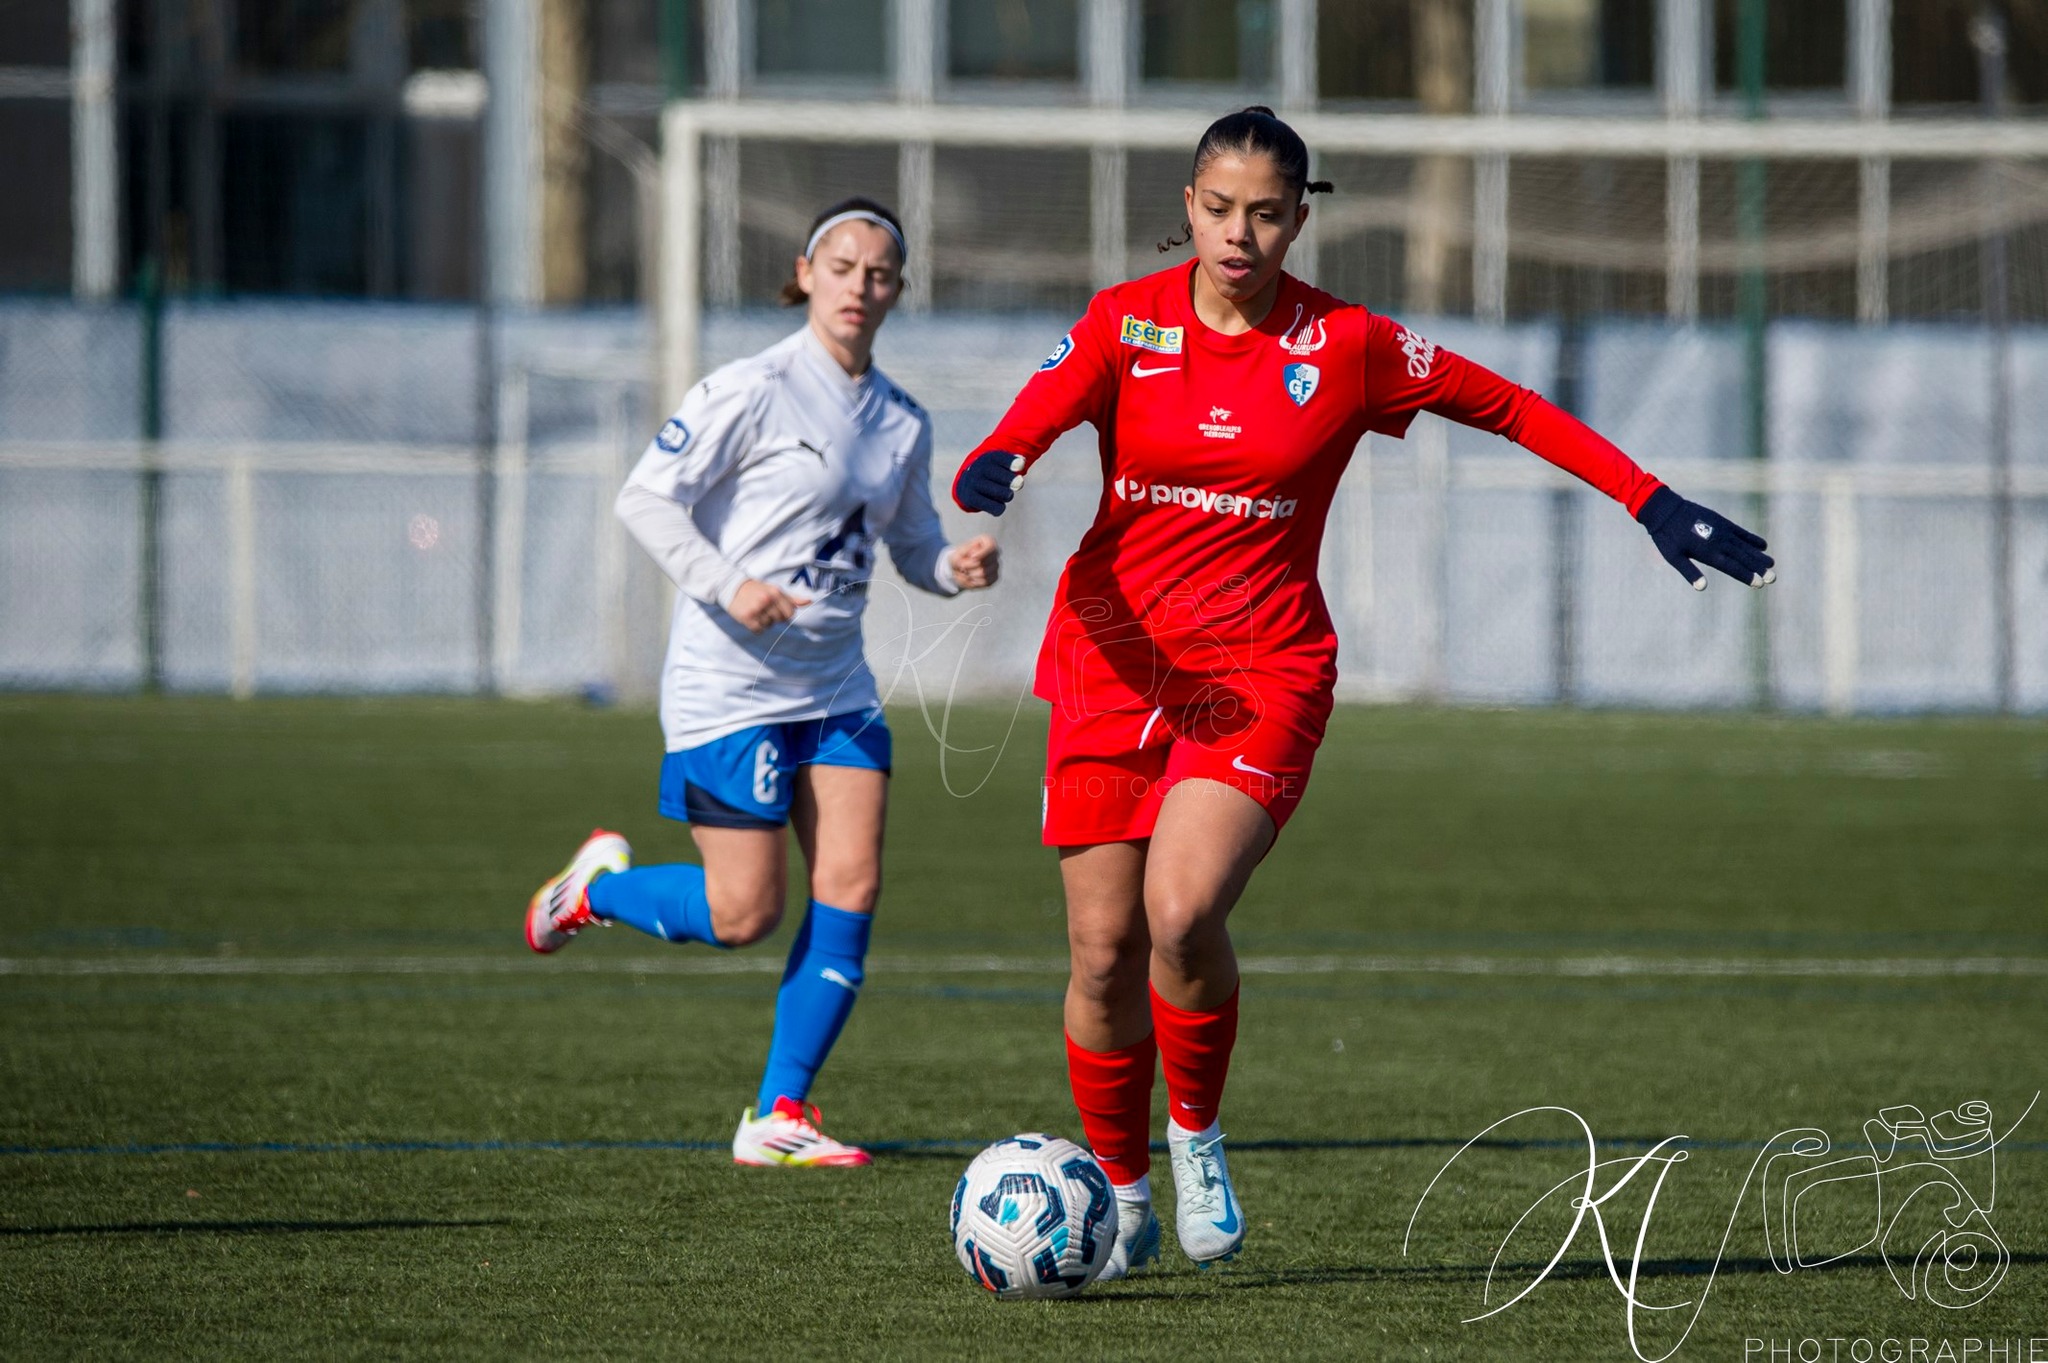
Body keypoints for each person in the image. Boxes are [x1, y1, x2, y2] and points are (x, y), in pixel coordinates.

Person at [952, 108, 1774, 1273]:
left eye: (1267, 213)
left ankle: (1192, 1134)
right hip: (1110, 656)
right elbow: (1026, 421)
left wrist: (1645, 496)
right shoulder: (1121, 321)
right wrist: (997, 460)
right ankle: (1119, 1193)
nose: (1239, 233)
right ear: (1186, 204)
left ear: (1299, 216)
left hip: (1259, 669)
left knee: (1180, 913)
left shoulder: (1345, 344)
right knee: (1098, 950)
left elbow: (1510, 405)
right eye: (1218, 207)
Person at [525, 196, 1000, 1168]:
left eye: (879, 273)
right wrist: (726, 583)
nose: (859, 285)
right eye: (842, 265)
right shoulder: (749, 388)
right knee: (744, 913)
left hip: (837, 692)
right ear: (805, 272)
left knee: (852, 885)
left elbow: (908, 546)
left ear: (897, 291)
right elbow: (645, 499)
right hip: (727, 691)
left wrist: (954, 569)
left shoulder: (901, 421)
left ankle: (778, 1113)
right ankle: (595, 892)